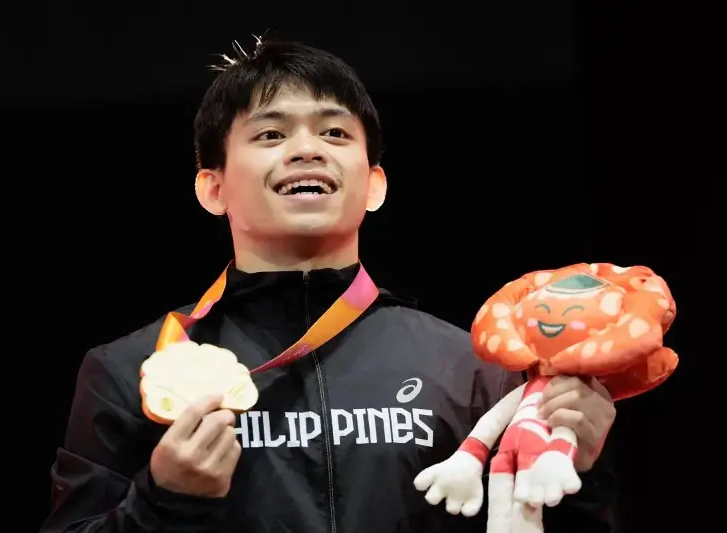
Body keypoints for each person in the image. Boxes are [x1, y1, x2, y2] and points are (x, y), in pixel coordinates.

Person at [40, 38, 618, 533]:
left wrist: (582, 473)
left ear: (374, 185)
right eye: (270, 134)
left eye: (335, 132)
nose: (307, 149)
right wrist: (164, 499)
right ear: (213, 189)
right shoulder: (133, 370)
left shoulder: (474, 370)